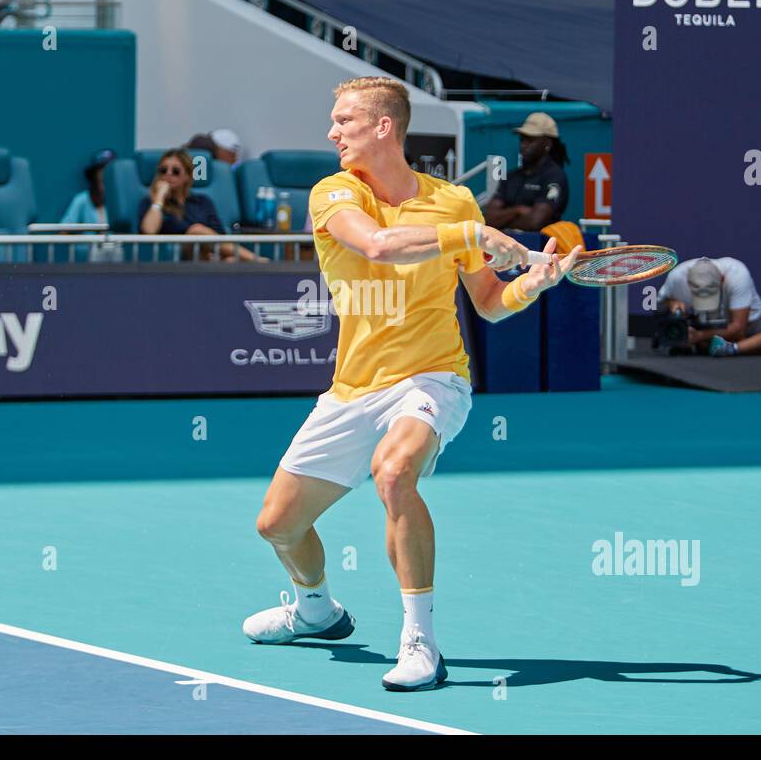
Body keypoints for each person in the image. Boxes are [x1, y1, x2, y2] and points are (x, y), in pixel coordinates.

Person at [242, 76, 581, 691]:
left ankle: (420, 641)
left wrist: (534, 284)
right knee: (277, 526)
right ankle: (316, 611)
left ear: (383, 127)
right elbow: (378, 245)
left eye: (343, 119)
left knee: (394, 472)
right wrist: (475, 235)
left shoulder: (453, 201)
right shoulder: (334, 193)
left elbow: (487, 302)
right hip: (351, 389)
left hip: (433, 377)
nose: (331, 131)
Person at [658, 256, 761, 357]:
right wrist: (672, 303)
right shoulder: (676, 278)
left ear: (722, 280)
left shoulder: (737, 273)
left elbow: (739, 329)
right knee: (701, 345)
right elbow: (661, 305)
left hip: (751, 324)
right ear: (689, 283)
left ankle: (733, 349)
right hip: (709, 331)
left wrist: (699, 337)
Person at [136, 148, 264, 261]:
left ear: (187, 176)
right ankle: (258, 261)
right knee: (196, 230)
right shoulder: (151, 204)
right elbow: (149, 231)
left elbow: (219, 236)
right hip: (177, 259)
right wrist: (159, 199)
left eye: (175, 171)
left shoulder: (202, 201)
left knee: (230, 260)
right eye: (163, 170)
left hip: (207, 257)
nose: (168, 174)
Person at [482, 111, 570, 232]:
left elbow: (535, 222)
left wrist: (504, 221)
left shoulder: (554, 176)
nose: (523, 145)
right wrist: (517, 210)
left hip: (541, 247)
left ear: (547, 144)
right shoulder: (511, 177)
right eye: (522, 140)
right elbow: (488, 218)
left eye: (530, 140)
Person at [60, 149, 115, 226]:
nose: (106, 172)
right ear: (95, 173)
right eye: (103, 168)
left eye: (110, 168)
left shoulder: (121, 200)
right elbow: (64, 230)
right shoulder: (82, 199)